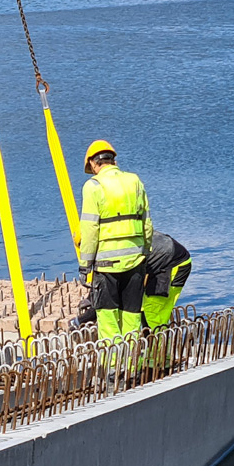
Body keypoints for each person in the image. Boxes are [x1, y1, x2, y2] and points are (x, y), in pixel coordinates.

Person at [77, 139, 151, 343]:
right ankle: (132, 368)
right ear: (113, 160)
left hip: (106, 266)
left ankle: (112, 370)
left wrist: (85, 266)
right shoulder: (134, 181)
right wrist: (144, 253)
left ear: (93, 163)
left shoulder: (93, 186)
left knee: (108, 320)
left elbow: (90, 230)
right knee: (132, 317)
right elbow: (146, 223)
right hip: (135, 262)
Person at [141, 232, 192, 329]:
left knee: (153, 311)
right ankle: (152, 340)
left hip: (172, 263)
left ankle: (157, 343)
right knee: (143, 309)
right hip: (160, 258)